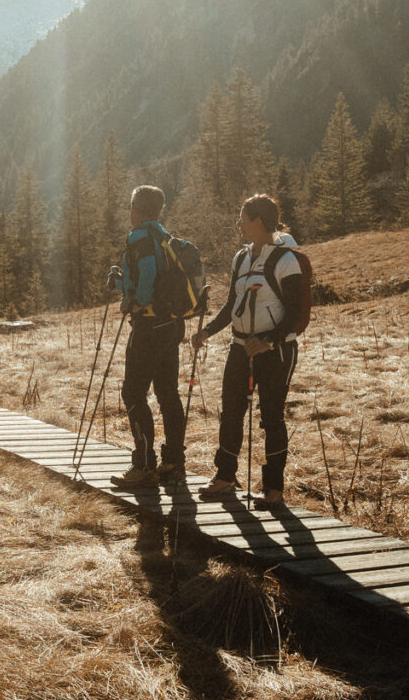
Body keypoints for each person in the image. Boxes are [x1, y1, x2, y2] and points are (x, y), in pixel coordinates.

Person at [194, 193, 302, 508]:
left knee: (271, 418)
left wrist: (269, 340)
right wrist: (207, 332)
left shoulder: (286, 260)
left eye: (242, 218)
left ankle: (273, 488)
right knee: (230, 412)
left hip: (276, 351)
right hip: (239, 347)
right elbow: (232, 305)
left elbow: (294, 312)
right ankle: (225, 477)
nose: (238, 224)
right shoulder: (240, 258)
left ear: (257, 221)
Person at [111, 185, 187, 488]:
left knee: (132, 392)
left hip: (148, 326)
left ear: (134, 208)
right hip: (171, 325)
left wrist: (138, 301)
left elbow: (147, 272)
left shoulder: (140, 235)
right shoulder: (165, 237)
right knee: (168, 393)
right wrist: (122, 285)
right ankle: (173, 463)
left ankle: (143, 465)